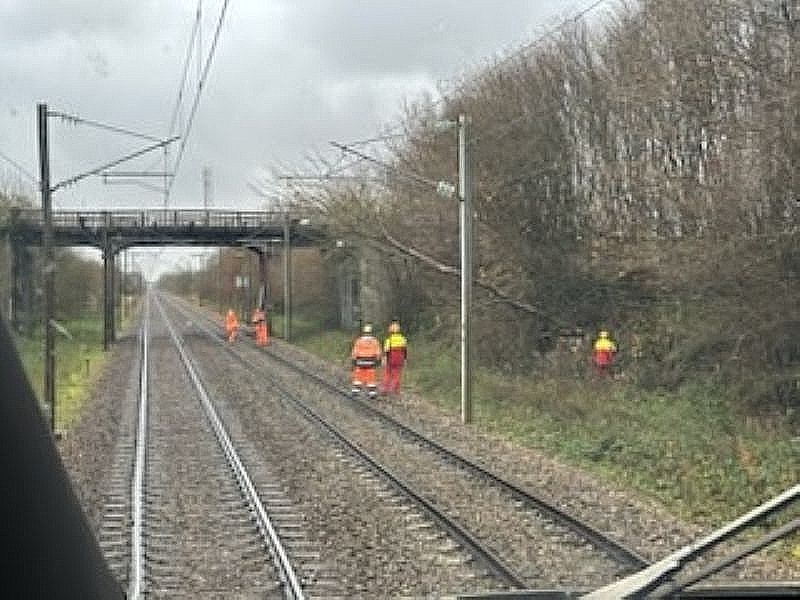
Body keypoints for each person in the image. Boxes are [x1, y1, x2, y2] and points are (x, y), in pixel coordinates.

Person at [350, 323, 382, 398]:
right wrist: (378, 361)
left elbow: (355, 352)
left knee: (358, 376)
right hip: (371, 362)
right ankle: (372, 392)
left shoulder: (359, 340)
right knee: (371, 378)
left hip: (360, 361)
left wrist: (353, 360)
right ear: (371, 332)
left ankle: (356, 391)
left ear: (364, 332)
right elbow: (378, 352)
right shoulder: (374, 341)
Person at [380, 318, 407, 395]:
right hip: (400, 359)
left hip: (390, 359)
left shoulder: (389, 340)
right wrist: (404, 359)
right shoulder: (403, 339)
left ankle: (385, 389)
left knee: (388, 374)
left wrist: (384, 360)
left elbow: (386, 351)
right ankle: (396, 390)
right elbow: (404, 351)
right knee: (398, 374)